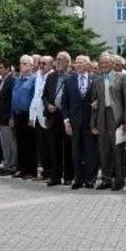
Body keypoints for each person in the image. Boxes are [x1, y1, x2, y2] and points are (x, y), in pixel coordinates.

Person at [91, 53, 126, 190]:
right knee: (104, 149)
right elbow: (94, 104)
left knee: (117, 149)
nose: (103, 65)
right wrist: (93, 123)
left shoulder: (122, 77)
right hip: (102, 117)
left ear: (113, 64)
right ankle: (106, 179)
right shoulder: (97, 80)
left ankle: (119, 180)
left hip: (117, 117)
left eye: (106, 62)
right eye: (101, 63)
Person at [62, 55, 98, 190]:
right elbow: (64, 103)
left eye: (81, 63)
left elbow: (101, 97)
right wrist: (66, 121)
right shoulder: (69, 80)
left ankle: (90, 179)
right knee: (76, 152)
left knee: (90, 152)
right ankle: (78, 178)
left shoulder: (95, 79)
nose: (78, 65)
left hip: (90, 123)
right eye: (76, 63)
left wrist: (98, 102)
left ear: (88, 65)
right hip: (75, 122)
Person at [41, 52, 72, 187]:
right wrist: (48, 105)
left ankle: (69, 176)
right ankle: (56, 176)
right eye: (57, 59)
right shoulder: (52, 76)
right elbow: (44, 95)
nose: (58, 62)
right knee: (54, 147)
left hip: (68, 117)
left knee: (68, 147)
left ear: (68, 62)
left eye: (61, 59)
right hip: (54, 116)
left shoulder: (73, 76)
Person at [12, 56, 38, 180]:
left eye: (25, 63)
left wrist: (32, 116)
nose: (22, 65)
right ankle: (21, 169)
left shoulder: (34, 79)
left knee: (30, 144)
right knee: (20, 143)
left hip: (28, 115)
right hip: (17, 114)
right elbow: (13, 98)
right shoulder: (17, 79)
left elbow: (35, 98)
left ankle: (31, 171)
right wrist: (12, 116)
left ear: (32, 66)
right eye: (21, 63)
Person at [0, 59, 16, 176]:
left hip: (7, 117)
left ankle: (12, 165)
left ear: (8, 69)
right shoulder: (0, 81)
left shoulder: (12, 81)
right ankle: (6, 163)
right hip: (0, 117)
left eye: (1, 67)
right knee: (4, 142)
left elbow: (13, 100)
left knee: (10, 142)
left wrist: (12, 117)